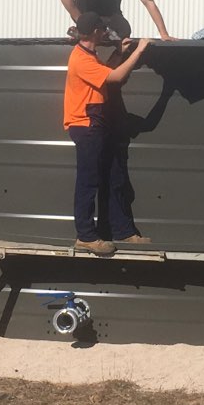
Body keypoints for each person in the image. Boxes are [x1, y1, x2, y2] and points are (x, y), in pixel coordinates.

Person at [64, 13, 151, 254]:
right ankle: (85, 236)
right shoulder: (81, 58)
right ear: (94, 32)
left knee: (114, 175)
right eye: (102, 30)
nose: (105, 34)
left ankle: (122, 231)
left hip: (97, 122)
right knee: (88, 181)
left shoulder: (89, 56)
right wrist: (139, 51)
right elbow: (115, 77)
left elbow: (104, 72)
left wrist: (120, 52)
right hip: (86, 124)